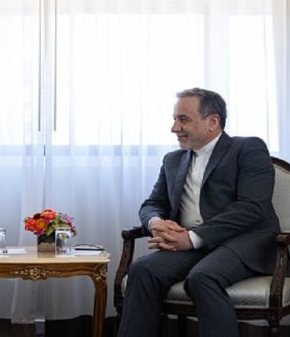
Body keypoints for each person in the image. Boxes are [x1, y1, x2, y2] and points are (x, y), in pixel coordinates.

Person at [118, 88, 281, 337]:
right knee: (142, 270)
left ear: (212, 121)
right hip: (193, 245)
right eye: (174, 119)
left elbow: (252, 208)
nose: (174, 128)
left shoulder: (248, 148)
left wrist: (193, 237)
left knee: (202, 277)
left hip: (243, 242)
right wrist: (156, 223)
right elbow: (153, 203)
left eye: (183, 119)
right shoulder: (172, 160)